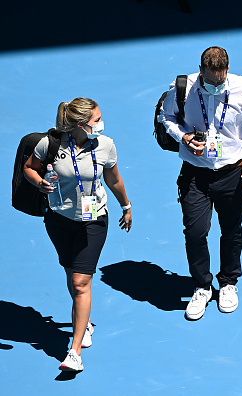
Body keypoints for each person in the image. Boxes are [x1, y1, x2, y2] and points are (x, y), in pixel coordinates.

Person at [23, 97, 132, 371]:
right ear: (81, 124)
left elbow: (114, 179)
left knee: (81, 281)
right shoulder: (50, 145)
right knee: (71, 275)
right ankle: (85, 322)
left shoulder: (106, 145)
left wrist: (126, 206)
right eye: (96, 120)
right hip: (59, 220)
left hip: (93, 220)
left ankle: (74, 350)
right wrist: (40, 184)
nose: (101, 124)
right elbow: (29, 168)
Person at [160, 46, 242, 320]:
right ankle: (202, 285)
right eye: (211, 81)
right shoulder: (182, 88)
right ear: (201, 71)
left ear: (227, 71)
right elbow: (167, 117)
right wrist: (182, 137)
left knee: (231, 230)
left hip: (232, 173)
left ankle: (229, 282)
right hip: (195, 174)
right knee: (195, 232)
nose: (216, 86)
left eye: (221, 81)